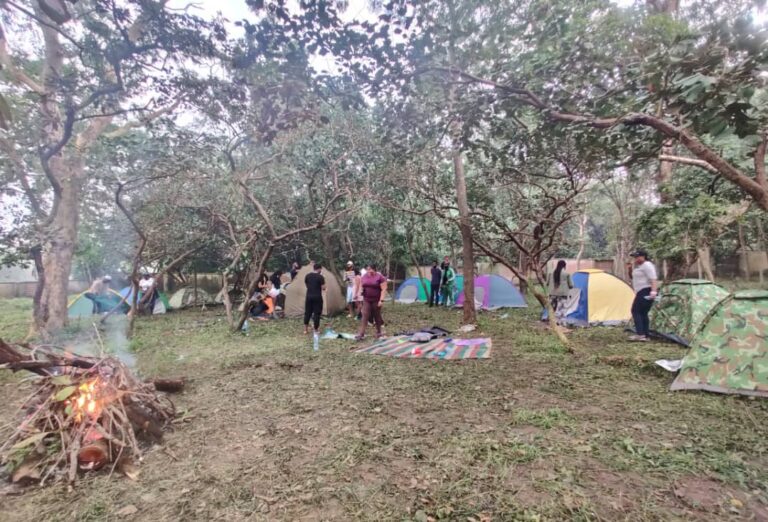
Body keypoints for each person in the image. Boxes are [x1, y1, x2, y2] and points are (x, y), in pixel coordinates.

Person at [628, 249, 658, 342]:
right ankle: (645, 335)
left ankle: (640, 334)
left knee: (635, 311)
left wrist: (653, 291)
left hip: (645, 290)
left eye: (637, 257)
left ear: (643, 257)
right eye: (635, 257)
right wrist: (629, 269)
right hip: (640, 291)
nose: (635, 259)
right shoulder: (639, 267)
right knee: (643, 313)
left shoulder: (647, 265)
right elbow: (633, 278)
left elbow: (653, 279)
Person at [355, 263, 387, 340]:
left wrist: (381, 300)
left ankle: (379, 332)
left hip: (376, 300)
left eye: (370, 269)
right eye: (368, 269)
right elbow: (361, 286)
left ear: (374, 269)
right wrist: (358, 293)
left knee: (377, 316)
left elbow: (384, 289)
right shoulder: (364, 276)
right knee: (365, 315)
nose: (369, 271)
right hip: (367, 299)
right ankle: (361, 333)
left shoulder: (380, 277)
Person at [303, 263, 326, 335]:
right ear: (319, 269)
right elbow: (323, 288)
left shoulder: (307, 276)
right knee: (317, 313)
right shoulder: (320, 277)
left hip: (309, 296)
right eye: (320, 269)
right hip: (317, 297)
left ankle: (305, 330)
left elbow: (307, 285)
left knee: (307, 313)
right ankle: (316, 330)